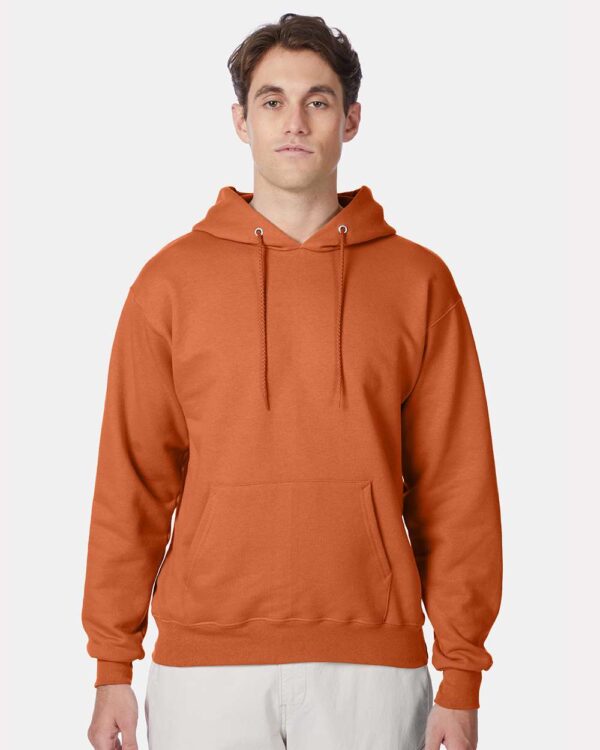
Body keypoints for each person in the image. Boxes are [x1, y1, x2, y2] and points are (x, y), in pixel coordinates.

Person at [82, 12, 503, 750]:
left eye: (318, 100)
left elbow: (456, 486)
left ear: (351, 120)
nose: (295, 122)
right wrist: (112, 661)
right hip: (205, 664)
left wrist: (461, 672)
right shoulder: (170, 282)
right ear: (241, 121)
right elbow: (133, 479)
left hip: (372, 665)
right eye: (272, 101)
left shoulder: (418, 282)